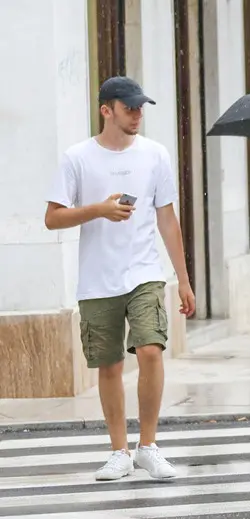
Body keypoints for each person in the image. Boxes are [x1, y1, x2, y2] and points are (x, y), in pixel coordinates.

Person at [44, 76, 195, 481]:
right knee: (108, 364)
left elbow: (167, 218)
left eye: (141, 107)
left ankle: (148, 446)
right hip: (96, 278)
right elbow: (52, 217)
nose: (138, 114)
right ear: (106, 110)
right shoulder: (77, 157)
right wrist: (98, 210)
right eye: (129, 108)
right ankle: (119, 451)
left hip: (144, 272)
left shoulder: (155, 155)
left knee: (150, 350)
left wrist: (181, 278)